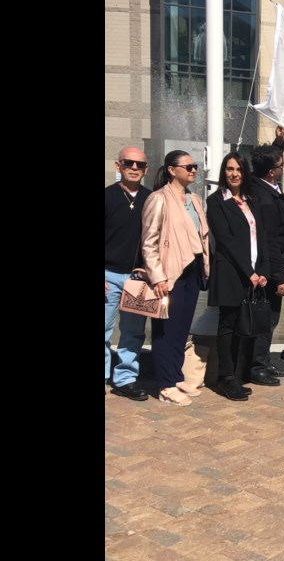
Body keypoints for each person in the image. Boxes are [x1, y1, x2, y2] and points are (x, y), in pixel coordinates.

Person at [141, 151, 210, 407]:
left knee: (181, 329)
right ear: (172, 170)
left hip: (192, 272)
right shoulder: (158, 199)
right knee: (165, 331)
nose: (193, 170)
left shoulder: (195, 199)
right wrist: (157, 276)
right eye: (188, 166)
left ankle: (176, 375)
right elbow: (149, 242)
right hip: (169, 274)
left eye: (195, 166)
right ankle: (165, 385)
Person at [206, 153, 270, 401]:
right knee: (228, 326)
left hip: (254, 274)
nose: (234, 174)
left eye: (239, 170)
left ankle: (237, 373)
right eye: (229, 169)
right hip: (232, 273)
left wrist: (262, 271)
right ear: (224, 172)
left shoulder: (250, 201)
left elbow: (262, 237)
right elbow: (226, 241)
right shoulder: (216, 201)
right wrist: (249, 272)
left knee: (244, 326)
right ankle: (225, 378)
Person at [247, 140, 284, 386]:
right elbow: (271, 242)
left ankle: (263, 361)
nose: (283, 167)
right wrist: (280, 277)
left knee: (270, 319)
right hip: (270, 272)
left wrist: (279, 142)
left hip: (275, 267)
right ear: (272, 171)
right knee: (265, 319)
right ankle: (257, 367)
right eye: (280, 165)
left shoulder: (267, 187)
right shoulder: (264, 197)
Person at [105, 146, 151, 401]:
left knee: (133, 332)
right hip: (108, 275)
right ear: (118, 165)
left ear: (145, 169)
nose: (134, 168)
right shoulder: (108, 196)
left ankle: (125, 379)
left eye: (139, 165)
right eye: (128, 163)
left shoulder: (151, 198)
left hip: (137, 280)